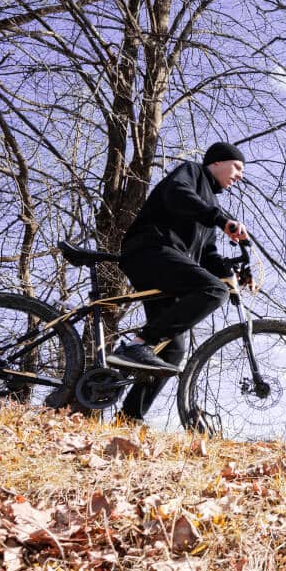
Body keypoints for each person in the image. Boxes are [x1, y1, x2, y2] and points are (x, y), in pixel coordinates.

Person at [109, 140, 250, 419]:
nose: (239, 175)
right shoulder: (192, 173)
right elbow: (177, 193)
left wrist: (232, 276)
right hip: (150, 250)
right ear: (217, 162)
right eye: (237, 167)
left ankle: (128, 419)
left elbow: (208, 253)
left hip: (168, 263)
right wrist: (221, 220)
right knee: (213, 290)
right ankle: (137, 345)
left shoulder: (210, 204)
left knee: (173, 349)